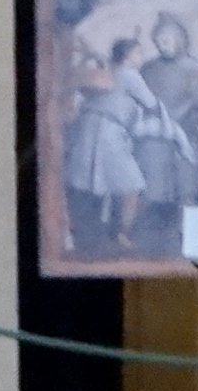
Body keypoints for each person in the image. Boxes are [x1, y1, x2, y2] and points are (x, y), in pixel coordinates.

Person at [63, 39, 150, 250]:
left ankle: (70, 230)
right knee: (133, 186)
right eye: (138, 53)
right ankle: (121, 233)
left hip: (87, 129)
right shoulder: (129, 74)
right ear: (127, 56)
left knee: (80, 182)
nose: (141, 57)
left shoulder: (107, 71)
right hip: (108, 133)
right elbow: (149, 102)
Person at [136, 14, 198, 209]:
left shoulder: (196, 69)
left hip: (187, 132)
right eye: (158, 42)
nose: (162, 45)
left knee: (187, 186)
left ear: (179, 40)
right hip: (155, 135)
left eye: (166, 41)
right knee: (151, 189)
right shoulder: (148, 69)